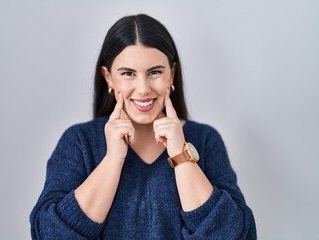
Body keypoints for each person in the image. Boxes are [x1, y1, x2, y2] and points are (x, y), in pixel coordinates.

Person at [30, 14, 257, 239]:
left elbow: (238, 234)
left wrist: (181, 156)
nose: (143, 89)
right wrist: (112, 160)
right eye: (128, 74)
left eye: (155, 72)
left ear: (172, 74)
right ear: (108, 77)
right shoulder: (79, 141)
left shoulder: (205, 139)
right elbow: (49, 233)